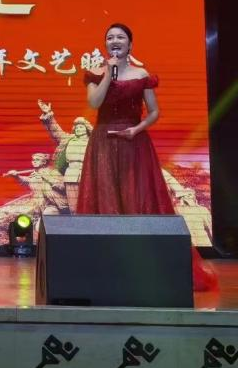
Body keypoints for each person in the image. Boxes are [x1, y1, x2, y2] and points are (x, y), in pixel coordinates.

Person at [76, 22, 217, 291]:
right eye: (110, 38)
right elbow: (94, 103)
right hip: (103, 143)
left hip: (134, 143)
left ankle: (145, 268)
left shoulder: (141, 75)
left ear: (130, 44)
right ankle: (108, 270)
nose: (114, 41)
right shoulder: (96, 73)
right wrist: (108, 74)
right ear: (105, 45)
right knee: (104, 200)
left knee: (137, 198)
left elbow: (154, 112)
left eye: (120, 37)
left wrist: (136, 129)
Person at [37, 100, 92, 212]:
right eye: (76, 127)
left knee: (88, 204)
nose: (78, 129)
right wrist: (49, 115)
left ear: (87, 128)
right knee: (73, 206)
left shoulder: (93, 142)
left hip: (88, 175)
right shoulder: (68, 139)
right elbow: (56, 131)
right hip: (71, 175)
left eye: (81, 127)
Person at [4, 152, 69, 216]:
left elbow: (63, 186)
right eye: (33, 160)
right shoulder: (34, 175)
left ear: (44, 162)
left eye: (37, 160)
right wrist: (16, 176)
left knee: (48, 214)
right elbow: (28, 181)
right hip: (41, 204)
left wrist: (47, 177)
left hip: (56, 204)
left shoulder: (52, 172)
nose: (34, 161)